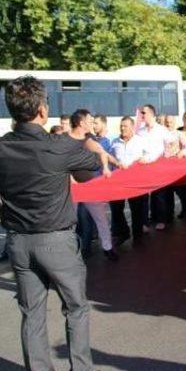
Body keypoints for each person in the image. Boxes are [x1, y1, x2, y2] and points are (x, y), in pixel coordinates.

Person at [0, 76, 103, 371]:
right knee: (75, 308)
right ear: (40, 109)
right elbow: (90, 170)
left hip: (18, 242)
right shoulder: (60, 145)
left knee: (31, 314)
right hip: (56, 240)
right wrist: (86, 139)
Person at [69, 109, 120, 261]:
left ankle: (108, 247)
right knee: (71, 221)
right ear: (81, 122)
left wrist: (114, 163)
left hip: (90, 186)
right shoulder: (64, 140)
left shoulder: (89, 137)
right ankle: (71, 250)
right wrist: (70, 179)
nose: (92, 122)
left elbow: (101, 151)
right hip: (72, 188)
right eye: (90, 120)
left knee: (101, 219)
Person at [109, 116, 147, 246]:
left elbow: (149, 155)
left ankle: (138, 237)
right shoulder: (114, 142)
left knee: (136, 210)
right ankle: (124, 232)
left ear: (132, 127)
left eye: (125, 126)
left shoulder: (140, 141)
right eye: (121, 125)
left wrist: (144, 160)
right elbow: (110, 159)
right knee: (116, 209)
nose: (122, 128)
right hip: (118, 183)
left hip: (135, 182)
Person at [137, 104, 174, 230]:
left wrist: (167, 153)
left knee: (159, 195)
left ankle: (161, 220)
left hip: (158, 166)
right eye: (141, 113)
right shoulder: (140, 131)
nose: (142, 115)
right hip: (143, 166)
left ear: (152, 114)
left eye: (144, 113)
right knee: (143, 196)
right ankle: (144, 223)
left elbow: (172, 143)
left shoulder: (161, 130)